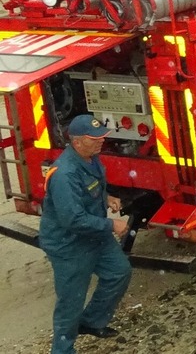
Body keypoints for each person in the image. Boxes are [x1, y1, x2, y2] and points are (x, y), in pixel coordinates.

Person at [39, 114, 132, 353]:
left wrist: (106, 197)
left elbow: (91, 188)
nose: (101, 141)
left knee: (119, 273)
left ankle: (92, 322)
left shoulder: (90, 158)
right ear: (77, 142)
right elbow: (73, 219)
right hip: (69, 244)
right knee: (70, 301)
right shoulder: (64, 174)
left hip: (92, 234)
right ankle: (63, 349)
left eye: (102, 136)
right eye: (95, 138)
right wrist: (112, 226)